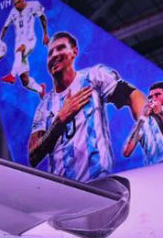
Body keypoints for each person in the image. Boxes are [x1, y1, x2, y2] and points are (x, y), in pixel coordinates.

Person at [28, 31, 147, 182]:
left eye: (60, 48)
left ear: (74, 52)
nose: (54, 55)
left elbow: (132, 95)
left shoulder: (93, 77)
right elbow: (32, 157)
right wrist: (59, 121)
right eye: (50, 53)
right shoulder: (44, 106)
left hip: (99, 184)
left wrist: (143, 126)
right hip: (62, 192)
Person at [122, 81, 163, 165]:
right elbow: (126, 152)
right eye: (150, 97)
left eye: (157, 95)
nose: (153, 99)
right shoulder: (144, 121)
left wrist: (160, 113)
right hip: (153, 170)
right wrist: (142, 118)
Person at [0, 0, 48, 98]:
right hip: (18, 43)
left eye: (18, 2)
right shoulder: (13, 12)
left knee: (20, 50)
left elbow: (42, 17)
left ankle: (11, 75)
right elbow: (5, 27)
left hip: (30, 40)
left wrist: (45, 34)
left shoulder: (33, 5)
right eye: (15, 4)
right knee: (25, 80)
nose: (17, 5)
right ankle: (40, 89)